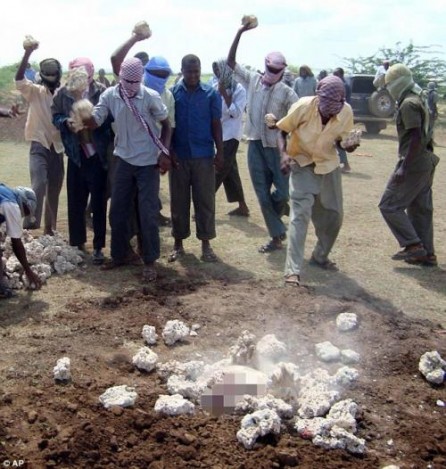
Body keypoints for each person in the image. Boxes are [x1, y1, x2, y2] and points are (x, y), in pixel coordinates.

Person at [84, 57, 171, 281]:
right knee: (118, 211)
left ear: (140, 79)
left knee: (148, 213)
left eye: (135, 81)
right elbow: (97, 118)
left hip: (148, 163)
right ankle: (120, 254)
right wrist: (84, 116)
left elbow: (167, 124)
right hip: (123, 159)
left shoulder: (150, 96)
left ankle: (150, 261)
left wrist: (164, 152)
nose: (130, 86)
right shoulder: (111, 95)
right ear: (120, 78)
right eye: (126, 81)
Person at [276, 76, 358, 286]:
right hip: (302, 163)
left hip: (328, 166)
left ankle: (320, 256)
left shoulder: (345, 111)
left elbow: (341, 142)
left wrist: (348, 146)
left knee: (334, 216)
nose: (328, 113)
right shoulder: (303, 106)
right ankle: (292, 271)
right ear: (318, 98)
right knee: (299, 217)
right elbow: (282, 130)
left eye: (333, 109)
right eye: (325, 108)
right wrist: (284, 155)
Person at [227, 20, 298, 253]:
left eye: (278, 71)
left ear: (282, 71)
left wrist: (279, 126)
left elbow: (297, 121)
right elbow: (231, 63)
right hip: (255, 144)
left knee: (282, 192)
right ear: (265, 65)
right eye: (271, 69)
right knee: (261, 192)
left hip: (277, 148)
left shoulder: (287, 93)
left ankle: (280, 212)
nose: (273, 74)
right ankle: (276, 237)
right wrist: (239, 32)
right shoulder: (253, 80)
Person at [52, 57, 112, 265]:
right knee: (76, 202)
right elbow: (56, 116)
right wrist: (66, 123)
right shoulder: (62, 94)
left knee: (98, 203)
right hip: (76, 156)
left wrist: (95, 123)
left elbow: (109, 119)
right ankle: (78, 244)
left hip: (97, 156)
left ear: (89, 76)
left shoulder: (101, 91)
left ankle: (98, 247)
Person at [379, 64, 439, 267]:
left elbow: (414, 137)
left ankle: (413, 245)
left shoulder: (408, 104)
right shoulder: (419, 97)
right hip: (426, 160)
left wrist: (404, 166)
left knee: (389, 205)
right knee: (420, 208)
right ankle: (427, 253)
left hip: (414, 162)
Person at [168, 54, 223, 263]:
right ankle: (178, 244)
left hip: (204, 156)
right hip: (179, 157)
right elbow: (169, 126)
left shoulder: (210, 94)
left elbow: (216, 124)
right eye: (189, 71)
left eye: (196, 71)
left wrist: (221, 152)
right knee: (178, 202)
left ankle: (206, 245)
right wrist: (170, 151)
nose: (193, 75)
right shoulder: (173, 94)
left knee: (205, 200)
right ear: (182, 71)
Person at [15, 41, 65, 236]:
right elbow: (19, 79)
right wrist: (27, 53)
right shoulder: (35, 91)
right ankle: (30, 222)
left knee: (54, 188)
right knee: (38, 183)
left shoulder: (64, 95)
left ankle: (49, 229)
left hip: (57, 147)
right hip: (39, 144)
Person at [211, 59, 249, 217]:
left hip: (232, 134)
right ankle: (242, 206)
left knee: (218, 170)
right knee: (231, 171)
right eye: (215, 72)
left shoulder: (239, 89)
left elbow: (235, 113)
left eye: (219, 71)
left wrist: (225, 94)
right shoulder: (214, 87)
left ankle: (204, 202)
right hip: (220, 134)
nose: (217, 74)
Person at [144, 56, 176, 227]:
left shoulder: (168, 95)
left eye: (163, 74)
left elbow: (170, 125)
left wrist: (165, 152)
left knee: (152, 186)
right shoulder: (136, 90)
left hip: (156, 150)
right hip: (135, 149)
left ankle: (153, 217)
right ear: (147, 72)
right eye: (155, 73)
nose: (159, 77)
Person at [0, 184, 42, 298]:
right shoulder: (12, 205)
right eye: (26, 211)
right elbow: (16, 243)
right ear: (23, 203)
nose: (24, 215)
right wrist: (28, 271)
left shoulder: (5, 191)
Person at [333, 67, 353, 173]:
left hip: (341, 114)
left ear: (341, 74)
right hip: (341, 113)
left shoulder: (343, 86)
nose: (334, 76)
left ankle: (346, 165)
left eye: (336, 74)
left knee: (338, 140)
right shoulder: (344, 85)